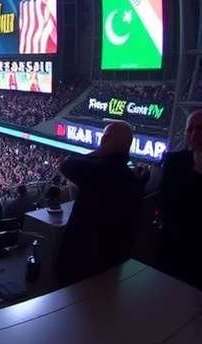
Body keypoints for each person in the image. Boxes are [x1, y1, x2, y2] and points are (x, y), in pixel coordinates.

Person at [55, 121, 148, 286]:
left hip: (82, 257)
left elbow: (67, 164)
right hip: (114, 258)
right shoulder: (135, 179)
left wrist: (98, 152)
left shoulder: (97, 171)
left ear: (104, 140)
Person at [158, 110, 202, 289]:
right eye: (190, 129)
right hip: (173, 244)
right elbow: (168, 200)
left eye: (200, 129)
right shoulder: (172, 160)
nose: (194, 134)